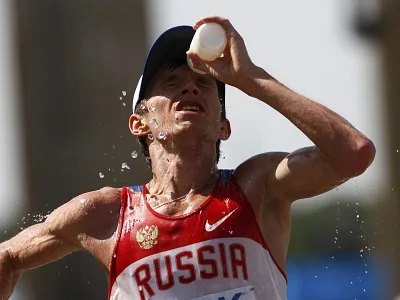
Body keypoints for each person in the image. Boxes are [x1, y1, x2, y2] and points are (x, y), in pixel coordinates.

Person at [0, 16, 375, 300]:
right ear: (139, 123)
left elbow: (353, 153)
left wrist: (251, 78)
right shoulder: (105, 215)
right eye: (170, 81)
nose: (190, 85)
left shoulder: (257, 188)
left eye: (205, 84)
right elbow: (8, 259)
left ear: (223, 126)